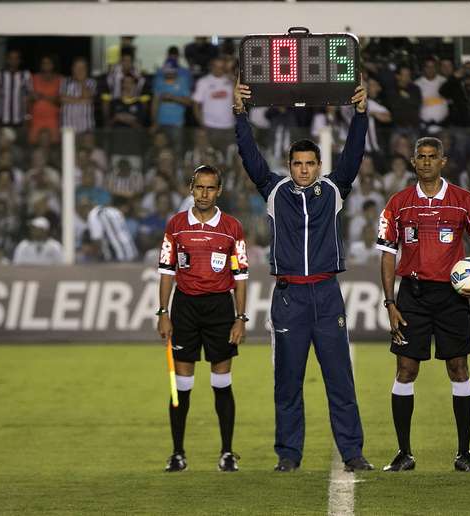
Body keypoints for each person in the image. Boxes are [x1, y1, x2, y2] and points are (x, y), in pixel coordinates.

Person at [234, 78, 374, 473]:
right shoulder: (274, 190)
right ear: (289, 166)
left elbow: (354, 154)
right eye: (297, 163)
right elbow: (249, 155)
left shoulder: (334, 189)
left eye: (310, 163)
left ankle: (353, 453)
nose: (304, 169)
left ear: (318, 166)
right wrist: (239, 114)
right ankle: (289, 455)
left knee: (340, 382)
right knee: (287, 384)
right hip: (289, 299)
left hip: (328, 297)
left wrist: (360, 114)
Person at [377, 136, 470, 473]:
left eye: (433, 156)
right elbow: (387, 256)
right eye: (421, 156)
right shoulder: (398, 203)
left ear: (443, 161)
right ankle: (404, 453)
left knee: (458, 368)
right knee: (406, 370)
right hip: (411, 296)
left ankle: (465, 453)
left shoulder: (464, 201)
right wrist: (389, 301)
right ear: (414, 161)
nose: (427, 162)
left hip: (451, 296)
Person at [157, 165, 248, 473]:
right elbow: (167, 271)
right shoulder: (176, 226)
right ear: (190, 189)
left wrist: (240, 318)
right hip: (185, 308)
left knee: (221, 382)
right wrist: (163, 312)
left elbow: (241, 275)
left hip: (220, 310)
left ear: (219, 191)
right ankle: (178, 453)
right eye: (200, 188)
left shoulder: (232, 228)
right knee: (181, 385)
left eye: (210, 188)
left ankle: (226, 452)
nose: (204, 193)